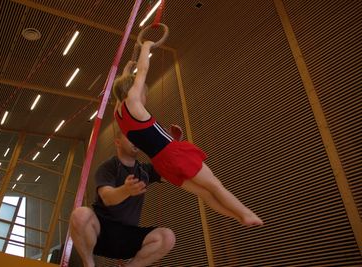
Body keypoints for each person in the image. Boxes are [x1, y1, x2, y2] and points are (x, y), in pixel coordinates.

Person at [112, 40, 264, 227]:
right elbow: (142, 71)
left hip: (161, 164)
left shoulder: (118, 114)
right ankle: (245, 213)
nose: (143, 96)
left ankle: (239, 218)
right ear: (132, 92)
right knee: (214, 185)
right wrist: (146, 47)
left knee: (205, 193)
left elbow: (120, 90)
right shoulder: (133, 102)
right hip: (174, 153)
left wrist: (126, 69)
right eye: (142, 92)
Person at [70, 130, 176, 267]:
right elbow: (107, 197)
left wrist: (171, 146)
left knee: (167, 237)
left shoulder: (145, 171)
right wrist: (126, 190)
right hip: (99, 233)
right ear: (117, 142)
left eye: (137, 138)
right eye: (130, 137)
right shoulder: (108, 167)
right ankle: (88, 264)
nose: (135, 140)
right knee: (80, 214)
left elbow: (171, 174)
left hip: (127, 236)